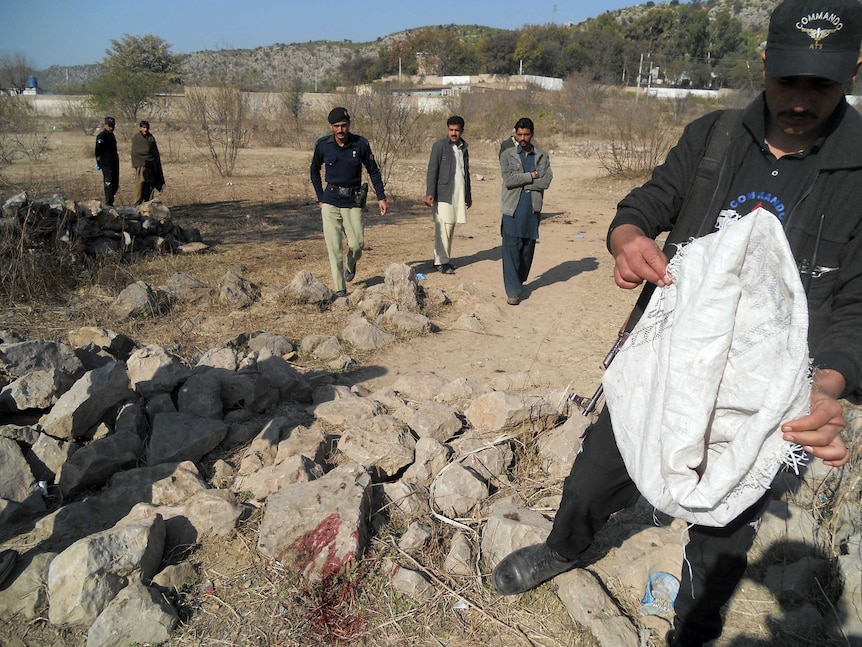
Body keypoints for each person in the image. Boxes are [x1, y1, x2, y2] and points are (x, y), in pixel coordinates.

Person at [491, 1, 862, 646]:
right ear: (766, 62)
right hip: (667, 364)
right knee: (595, 471)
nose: (800, 100)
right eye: (788, 81)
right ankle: (565, 546)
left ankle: (691, 627)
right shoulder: (712, 136)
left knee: (724, 527)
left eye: (822, 85)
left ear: (854, 71)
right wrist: (627, 235)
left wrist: (827, 388)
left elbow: (856, 307)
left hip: (769, 392)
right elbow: (646, 202)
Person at [310, 107, 388, 297]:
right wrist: (321, 198)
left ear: (349, 124)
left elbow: (373, 170)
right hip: (330, 201)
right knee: (334, 248)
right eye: (336, 126)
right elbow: (314, 171)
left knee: (357, 245)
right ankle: (340, 289)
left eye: (343, 125)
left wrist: (381, 197)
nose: (340, 130)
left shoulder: (360, 144)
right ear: (331, 126)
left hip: (353, 201)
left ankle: (351, 263)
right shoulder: (322, 145)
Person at [498, 117, 553, 305]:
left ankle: (519, 280)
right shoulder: (507, 155)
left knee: (527, 249)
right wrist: (531, 176)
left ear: (532, 134)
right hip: (512, 209)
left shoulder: (542, 156)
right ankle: (512, 291)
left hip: (532, 209)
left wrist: (525, 183)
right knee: (511, 248)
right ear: (515, 134)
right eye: (519, 134)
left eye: (526, 134)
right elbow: (509, 180)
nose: (523, 138)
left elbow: (546, 181)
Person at [424, 115, 472, 274]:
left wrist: (468, 195)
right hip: (443, 193)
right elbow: (432, 170)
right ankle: (441, 262)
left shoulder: (464, 147)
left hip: (457, 193)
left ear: (462, 131)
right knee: (443, 226)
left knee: (450, 226)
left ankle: (444, 258)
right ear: (447, 130)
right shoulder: (439, 146)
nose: (453, 133)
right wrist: (430, 192)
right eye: (451, 130)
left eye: (457, 130)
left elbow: (466, 172)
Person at [131, 120, 165, 206]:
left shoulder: (151, 138)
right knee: (140, 185)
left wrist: (155, 162)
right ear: (140, 128)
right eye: (143, 127)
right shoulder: (137, 138)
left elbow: (155, 152)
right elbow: (136, 152)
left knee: (150, 185)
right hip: (141, 165)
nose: (145, 129)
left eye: (146, 127)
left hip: (151, 165)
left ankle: (148, 204)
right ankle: (137, 204)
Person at [94, 116, 119, 206]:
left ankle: (111, 200)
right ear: (105, 125)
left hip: (114, 162)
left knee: (115, 183)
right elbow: (98, 150)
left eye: (113, 126)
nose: (111, 128)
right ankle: (109, 203)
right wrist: (99, 162)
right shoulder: (102, 136)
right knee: (109, 182)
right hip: (106, 163)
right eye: (109, 126)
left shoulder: (112, 135)